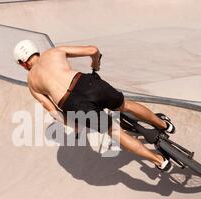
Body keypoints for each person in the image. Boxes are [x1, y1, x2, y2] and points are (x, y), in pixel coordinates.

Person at [13, 40, 175, 172]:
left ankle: (159, 161)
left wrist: (74, 124)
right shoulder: (54, 52)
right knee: (124, 105)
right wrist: (95, 65)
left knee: (115, 132)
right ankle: (164, 125)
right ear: (36, 51)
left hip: (71, 104)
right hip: (85, 83)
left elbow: (54, 112)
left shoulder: (32, 83)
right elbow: (93, 50)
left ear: (23, 63)